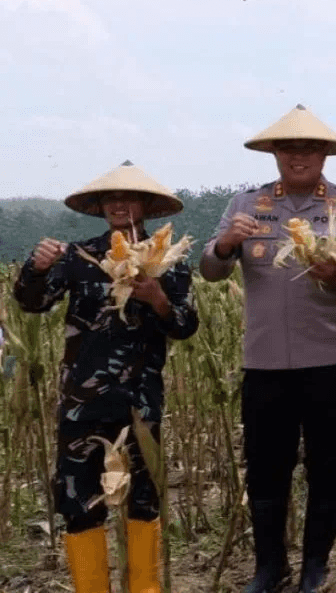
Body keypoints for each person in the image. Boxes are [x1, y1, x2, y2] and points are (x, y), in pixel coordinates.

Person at [200, 105, 336, 593]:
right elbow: (210, 270)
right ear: (275, 153)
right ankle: (269, 567)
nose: (298, 156)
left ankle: (315, 567)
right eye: (289, 148)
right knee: (267, 468)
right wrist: (224, 246)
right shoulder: (246, 205)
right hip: (265, 360)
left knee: (328, 464)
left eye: (309, 148)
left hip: (333, 358)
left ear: (325, 154)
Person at [14, 161, 198, 593]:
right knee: (78, 501)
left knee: (144, 499)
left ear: (146, 205)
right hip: (82, 402)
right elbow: (33, 303)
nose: (119, 204)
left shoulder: (169, 263)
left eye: (129, 197)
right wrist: (37, 269)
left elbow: (185, 326)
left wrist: (157, 299)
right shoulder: (80, 257)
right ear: (100, 207)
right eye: (111, 198)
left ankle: (145, 587)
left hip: (141, 400)